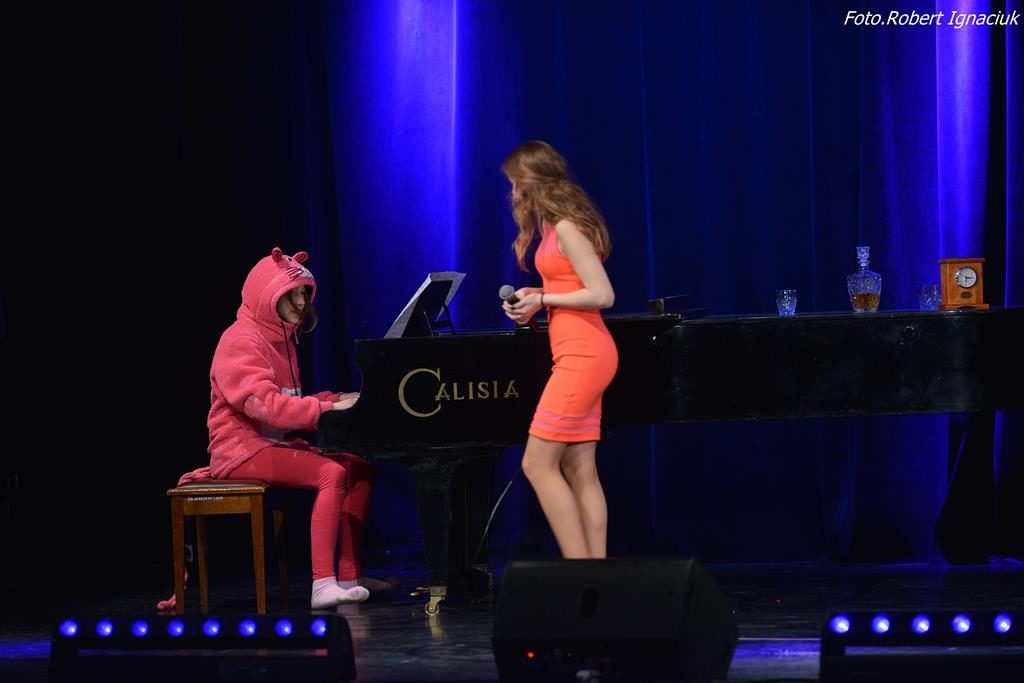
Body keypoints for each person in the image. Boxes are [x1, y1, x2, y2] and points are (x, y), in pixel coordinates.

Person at [204, 247, 373, 608]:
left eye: (304, 294)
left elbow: (288, 399)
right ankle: (322, 584)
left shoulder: (282, 340)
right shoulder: (240, 340)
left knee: (357, 466)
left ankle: (348, 576)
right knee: (330, 472)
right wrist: (329, 408)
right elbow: (268, 407)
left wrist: (337, 397)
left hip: (270, 444)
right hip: (240, 450)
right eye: (291, 294)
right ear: (268, 297)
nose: (301, 302)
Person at [500, 141, 618, 559]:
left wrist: (543, 299)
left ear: (531, 182)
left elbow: (603, 294)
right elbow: (571, 284)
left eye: (515, 183)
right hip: (576, 352)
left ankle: (579, 570)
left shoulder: (566, 227)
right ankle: (595, 574)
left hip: (585, 355)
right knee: (579, 467)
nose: (512, 192)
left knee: (537, 464)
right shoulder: (553, 227)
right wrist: (537, 294)